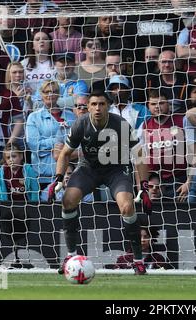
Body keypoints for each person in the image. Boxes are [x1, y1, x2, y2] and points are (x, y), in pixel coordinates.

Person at [48, 90, 153, 275]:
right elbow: (64, 153)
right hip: (89, 169)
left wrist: (143, 186)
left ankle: (138, 260)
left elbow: (138, 154)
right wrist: (57, 178)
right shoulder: (81, 123)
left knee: (127, 207)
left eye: (102, 104)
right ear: (88, 107)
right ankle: (70, 256)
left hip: (116, 169)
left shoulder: (120, 124)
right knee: (68, 200)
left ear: (108, 106)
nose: (98, 108)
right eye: (94, 104)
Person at [25, 80, 76, 189]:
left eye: (54, 91)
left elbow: (77, 141)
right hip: (44, 175)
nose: (50, 94)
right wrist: (57, 142)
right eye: (46, 91)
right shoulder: (34, 117)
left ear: (59, 94)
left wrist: (62, 147)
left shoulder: (71, 116)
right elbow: (34, 145)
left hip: (68, 174)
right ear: (41, 94)